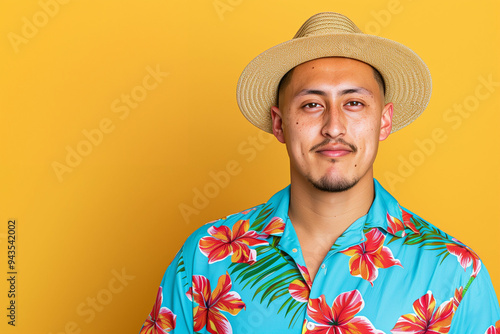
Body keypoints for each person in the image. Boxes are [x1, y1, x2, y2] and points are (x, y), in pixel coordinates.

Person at [139, 12, 500, 334]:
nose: (334, 127)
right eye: (312, 105)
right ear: (279, 125)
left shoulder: (454, 273)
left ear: (384, 121)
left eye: (354, 103)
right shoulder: (206, 258)